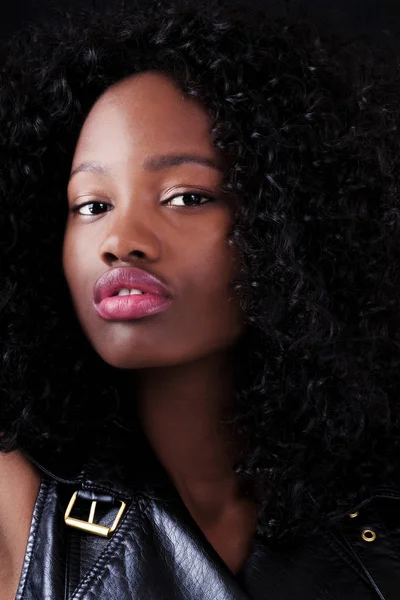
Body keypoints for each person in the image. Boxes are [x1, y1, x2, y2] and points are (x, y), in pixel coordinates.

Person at [1, 0, 400, 598]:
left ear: (291, 223)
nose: (120, 243)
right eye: (92, 205)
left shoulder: (381, 512)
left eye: (186, 197)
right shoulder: (15, 509)